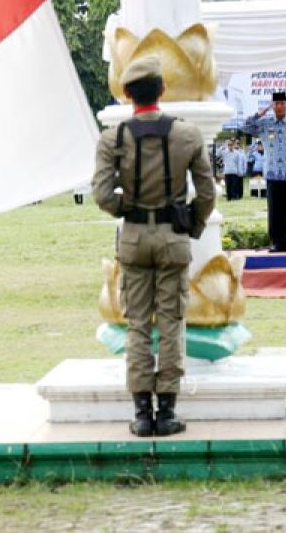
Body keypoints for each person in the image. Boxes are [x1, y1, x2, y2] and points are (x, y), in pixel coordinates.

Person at [92, 55, 215, 438]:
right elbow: (208, 192)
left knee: (138, 326)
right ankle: (168, 410)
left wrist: (126, 207)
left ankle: (142, 413)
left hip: (133, 238)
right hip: (173, 238)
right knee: (173, 323)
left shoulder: (113, 138)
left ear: (127, 94)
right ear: (162, 90)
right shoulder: (188, 134)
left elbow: (100, 193)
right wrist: (191, 223)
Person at [243, 91, 286, 251]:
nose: (279, 106)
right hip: (272, 172)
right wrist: (260, 113)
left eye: (282, 103)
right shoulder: (265, 124)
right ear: (272, 106)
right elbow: (245, 126)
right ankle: (277, 242)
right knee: (275, 209)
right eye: (276, 104)